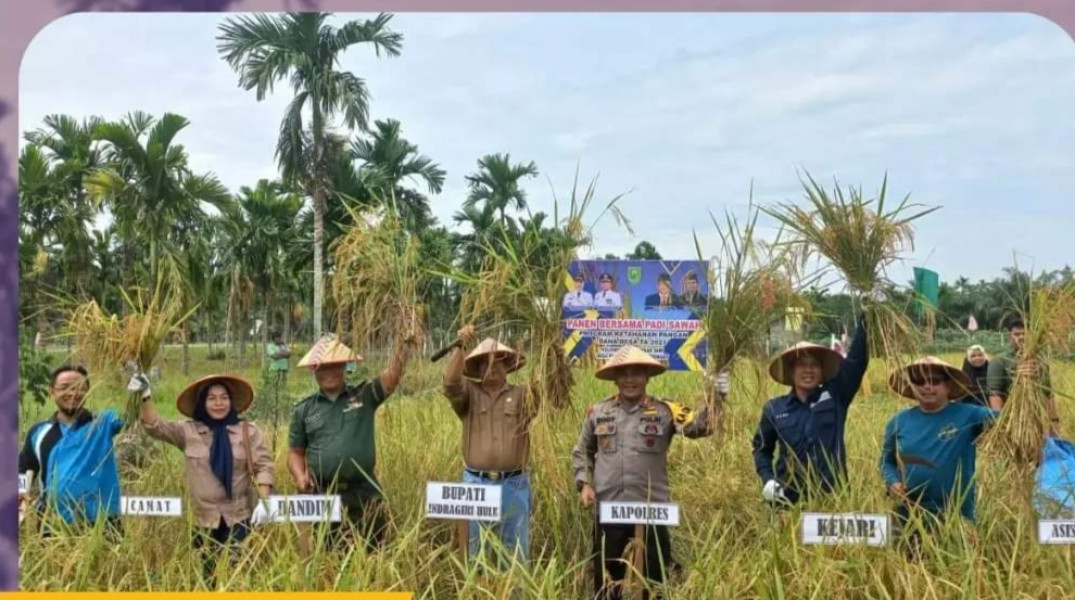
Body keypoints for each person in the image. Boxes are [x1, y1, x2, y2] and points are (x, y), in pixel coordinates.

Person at [571, 346, 725, 600]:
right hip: (610, 508)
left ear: (647, 377)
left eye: (637, 373)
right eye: (624, 374)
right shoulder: (599, 412)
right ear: (615, 378)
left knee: (655, 583)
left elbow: (702, 427)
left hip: (652, 510)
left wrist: (717, 394)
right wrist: (585, 484)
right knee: (607, 583)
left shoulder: (666, 411)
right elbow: (583, 451)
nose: (630, 379)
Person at [135, 373, 275, 583]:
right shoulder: (188, 431)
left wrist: (265, 502)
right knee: (207, 577)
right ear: (203, 402)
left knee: (237, 577)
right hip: (203, 520)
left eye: (224, 397)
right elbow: (155, 426)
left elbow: (263, 466)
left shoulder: (248, 431)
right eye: (212, 398)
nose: (219, 403)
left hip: (239, 519)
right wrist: (145, 395)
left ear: (231, 401)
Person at [288, 333, 416, 552]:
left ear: (345, 367)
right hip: (324, 495)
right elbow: (295, 453)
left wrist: (404, 348)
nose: (329, 372)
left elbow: (392, 377)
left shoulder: (365, 395)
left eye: (335, 365)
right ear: (314, 370)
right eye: (323, 367)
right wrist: (300, 477)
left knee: (373, 554)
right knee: (328, 555)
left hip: (364, 493)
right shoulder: (304, 410)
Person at [752, 309, 870, 506]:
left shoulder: (835, 396)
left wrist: (866, 318)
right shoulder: (774, 409)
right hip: (787, 503)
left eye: (814, 365)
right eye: (801, 365)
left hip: (831, 501)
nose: (808, 370)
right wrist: (768, 479)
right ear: (791, 370)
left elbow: (856, 362)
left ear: (822, 370)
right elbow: (761, 449)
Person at [442, 326, 535, 565]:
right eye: (485, 363)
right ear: (478, 369)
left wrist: (552, 349)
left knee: (515, 556)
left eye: (498, 362)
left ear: (507, 367)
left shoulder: (524, 394)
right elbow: (450, 384)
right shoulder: (468, 394)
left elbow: (555, 395)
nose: (492, 367)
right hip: (476, 483)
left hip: (515, 483)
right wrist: (461, 347)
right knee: (475, 554)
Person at [881, 357, 996, 546]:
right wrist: (892, 482)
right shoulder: (898, 422)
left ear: (949, 385)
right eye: (919, 381)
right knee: (909, 567)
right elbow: (886, 461)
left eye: (934, 380)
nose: (927, 386)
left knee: (957, 568)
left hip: (956, 516)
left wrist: (1027, 381)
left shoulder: (970, 415)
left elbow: (1007, 421)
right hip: (909, 515)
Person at [18, 365, 126, 538]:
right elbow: (23, 469)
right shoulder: (39, 433)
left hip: (103, 526)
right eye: (64, 387)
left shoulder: (104, 422)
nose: (73, 393)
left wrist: (140, 393)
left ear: (89, 392)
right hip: (52, 527)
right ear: (51, 392)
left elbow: (136, 416)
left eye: (80, 388)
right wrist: (20, 495)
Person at [987, 317, 1059, 432]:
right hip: (1011, 420)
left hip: (1036, 421)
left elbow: (1048, 393)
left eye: (1025, 334)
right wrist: (1000, 424)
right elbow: (994, 394)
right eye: (1017, 334)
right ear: (1010, 336)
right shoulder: (999, 361)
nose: (1021, 337)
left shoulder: (1040, 361)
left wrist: (1054, 423)